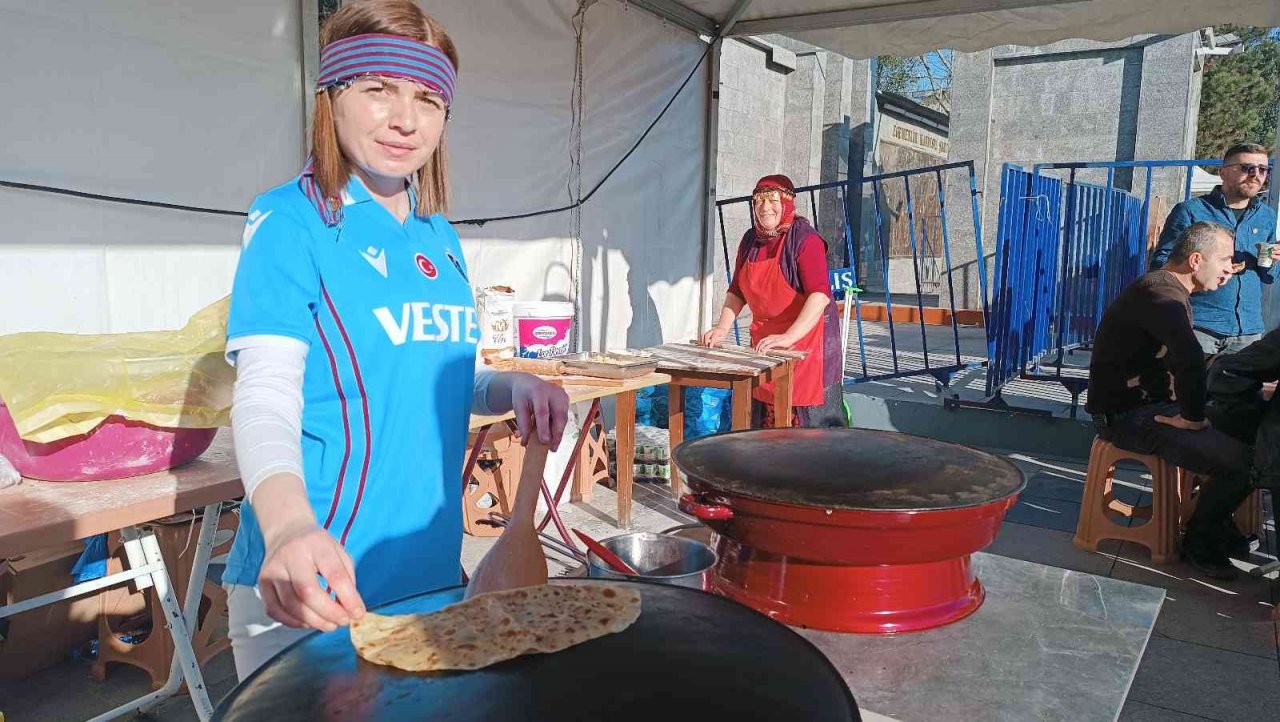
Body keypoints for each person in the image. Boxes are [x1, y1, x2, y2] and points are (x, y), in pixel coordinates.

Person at [222, 0, 568, 679]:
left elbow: (440, 378)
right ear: (334, 95)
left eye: (429, 99)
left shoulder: (439, 237)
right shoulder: (290, 220)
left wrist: (509, 385)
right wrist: (289, 526)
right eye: (378, 89)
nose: (406, 118)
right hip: (319, 577)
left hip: (432, 573)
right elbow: (265, 395)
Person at [1086, 222, 1253, 579]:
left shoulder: (1169, 291)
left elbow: (1185, 362)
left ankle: (1216, 521)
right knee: (1241, 462)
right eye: (1225, 259)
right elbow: (1188, 358)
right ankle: (1200, 540)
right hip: (1127, 416)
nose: (1231, 268)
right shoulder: (1160, 294)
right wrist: (1192, 418)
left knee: (1247, 426)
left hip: (1151, 407)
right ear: (1196, 260)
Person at [700, 175, 846, 428]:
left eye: (773, 200)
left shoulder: (805, 240)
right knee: (765, 424)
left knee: (808, 434)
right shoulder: (750, 241)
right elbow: (737, 290)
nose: (765, 208)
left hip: (807, 346)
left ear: (788, 203)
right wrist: (722, 328)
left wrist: (789, 337)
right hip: (766, 346)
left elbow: (820, 295)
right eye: (759, 201)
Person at [1152, 143, 1278, 357]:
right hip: (1199, 325)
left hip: (1247, 331)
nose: (1256, 175)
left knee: (1242, 391)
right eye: (1247, 168)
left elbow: (1269, 277)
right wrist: (1207, 264)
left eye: (1263, 169)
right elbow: (1161, 263)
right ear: (1223, 172)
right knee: (1191, 389)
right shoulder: (1191, 211)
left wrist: (1272, 261)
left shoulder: (1266, 216)